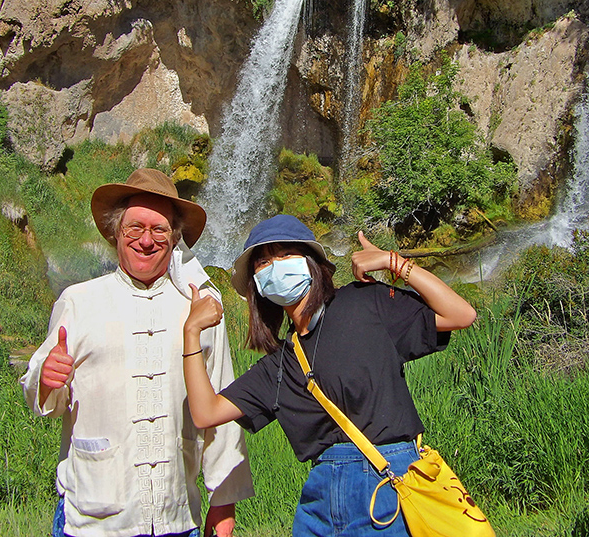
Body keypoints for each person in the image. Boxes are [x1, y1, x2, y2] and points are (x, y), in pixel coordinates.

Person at [182, 214, 477, 537]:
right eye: (262, 262)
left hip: (389, 486)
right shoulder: (281, 364)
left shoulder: (364, 303)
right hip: (319, 501)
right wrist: (192, 331)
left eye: (285, 254)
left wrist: (393, 263)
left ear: (312, 262)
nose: (274, 266)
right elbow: (205, 412)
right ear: (257, 287)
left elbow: (460, 314)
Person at [21, 168, 254, 537]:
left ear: (175, 238)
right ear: (116, 233)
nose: (147, 240)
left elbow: (222, 404)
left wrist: (224, 503)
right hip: (92, 518)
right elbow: (44, 397)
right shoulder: (78, 302)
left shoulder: (202, 308)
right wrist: (47, 380)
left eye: (159, 230)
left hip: (177, 516)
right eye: (135, 229)